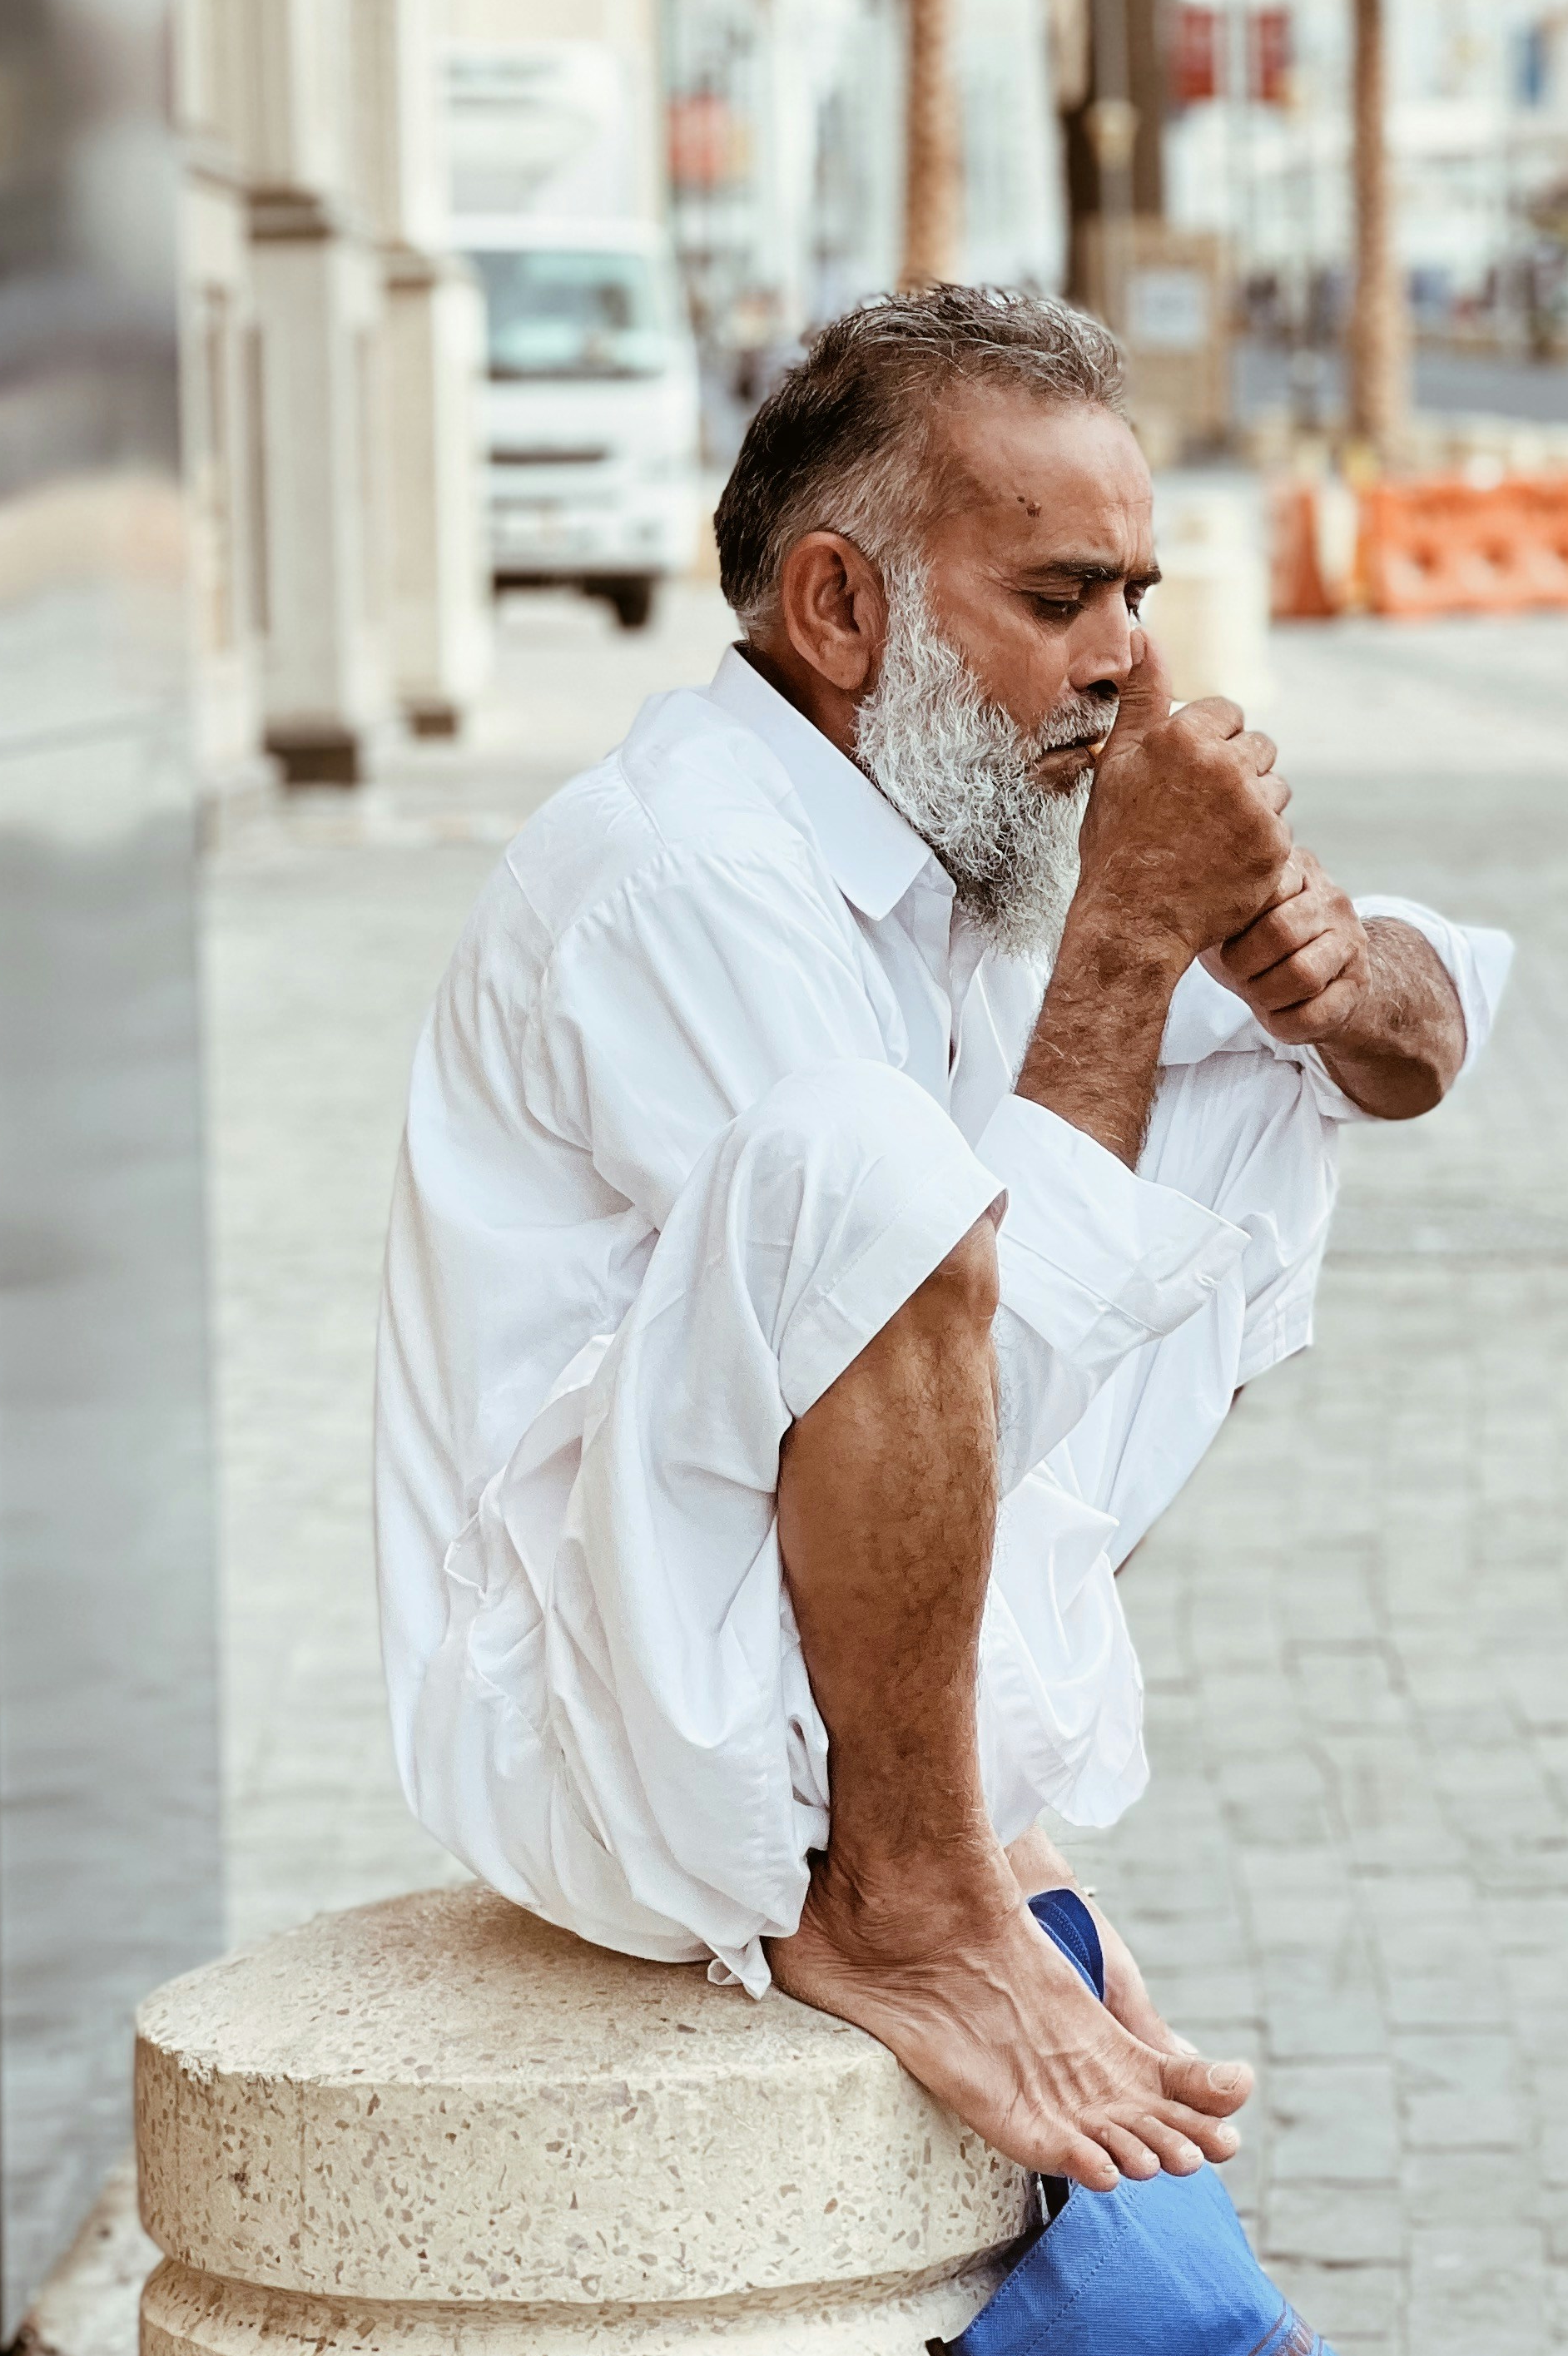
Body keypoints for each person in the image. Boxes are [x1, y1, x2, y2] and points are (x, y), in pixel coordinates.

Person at [375, 288, 1508, 2191]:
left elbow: (1427, 1042)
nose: (1123, 672)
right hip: (611, 1728)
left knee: (1244, 1083)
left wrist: (1302, 942)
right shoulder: (683, 874)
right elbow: (940, 1307)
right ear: (839, 611)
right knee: (870, 1160)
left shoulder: (961, 826)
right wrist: (1136, 939)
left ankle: (957, 1813)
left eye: (1138, 600)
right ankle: (908, 1889)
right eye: (1060, 602)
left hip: (816, 1685)